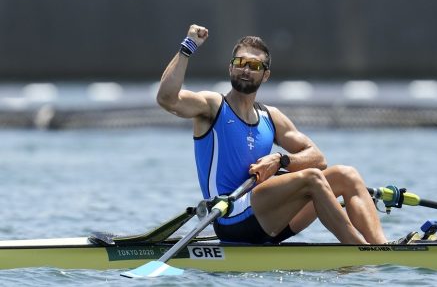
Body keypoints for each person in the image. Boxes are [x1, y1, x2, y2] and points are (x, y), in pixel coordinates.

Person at [157, 24, 388, 244]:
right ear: (231, 67)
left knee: (346, 175)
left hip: (267, 216)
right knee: (312, 179)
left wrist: (281, 159)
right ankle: (361, 253)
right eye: (240, 63)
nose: (246, 69)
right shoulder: (212, 106)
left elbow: (318, 158)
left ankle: (382, 248)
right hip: (230, 217)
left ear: (265, 75)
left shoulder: (271, 117)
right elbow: (167, 99)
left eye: (255, 66)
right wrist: (188, 47)